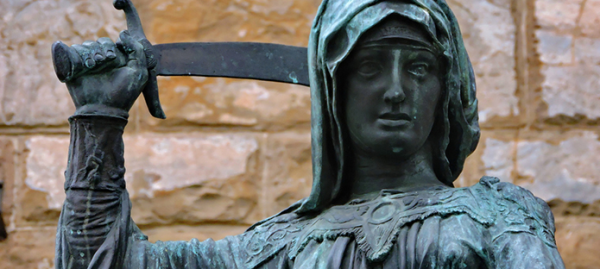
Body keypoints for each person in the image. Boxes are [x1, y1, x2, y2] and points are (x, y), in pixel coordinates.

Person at [55, 0, 566, 268]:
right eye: (367, 69)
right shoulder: (277, 249)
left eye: (418, 68)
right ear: (332, 94)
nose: (394, 91)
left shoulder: (500, 220)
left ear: (446, 88)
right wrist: (99, 118)